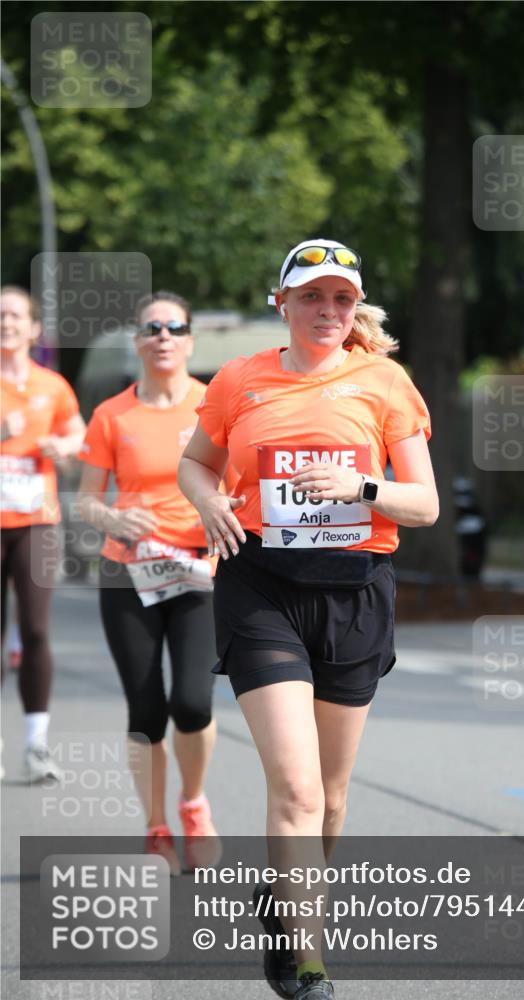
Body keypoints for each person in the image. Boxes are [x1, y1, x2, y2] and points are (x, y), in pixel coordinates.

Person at [178, 240, 439, 999]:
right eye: (312, 297)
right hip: (261, 586)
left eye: (341, 299)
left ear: (354, 308)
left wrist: (362, 486)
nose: (328, 312)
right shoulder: (239, 379)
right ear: (281, 303)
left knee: (329, 796)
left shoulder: (384, 382)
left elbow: (420, 503)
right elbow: (196, 462)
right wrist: (207, 500)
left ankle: (284, 901)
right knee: (293, 789)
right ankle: (308, 962)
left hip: (355, 589)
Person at [77, 290, 222, 874]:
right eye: (151, 327)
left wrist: (223, 511)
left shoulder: (216, 407)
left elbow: (239, 484)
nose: (163, 336)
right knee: (146, 710)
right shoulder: (113, 414)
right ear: (138, 342)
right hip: (127, 573)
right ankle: (156, 825)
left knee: (192, 701)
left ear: (189, 340)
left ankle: (194, 805)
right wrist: (114, 517)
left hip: (197, 570)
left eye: (174, 327)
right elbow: (85, 501)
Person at [1, 285, 86, 782]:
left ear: (33, 329)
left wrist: (64, 445)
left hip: (36, 520)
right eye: (0, 316)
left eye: (15, 316)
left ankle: (36, 745)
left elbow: (79, 434)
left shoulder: (52, 385)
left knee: (35, 630)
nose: (6, 323)